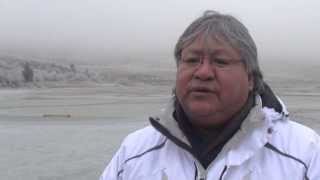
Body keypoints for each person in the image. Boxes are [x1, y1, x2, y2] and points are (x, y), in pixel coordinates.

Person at [100, 10, 320, 180]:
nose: (203, 72)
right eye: (192, 60)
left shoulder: (305, 154)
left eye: (220, 61)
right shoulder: (135, 151)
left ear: (251, 78)